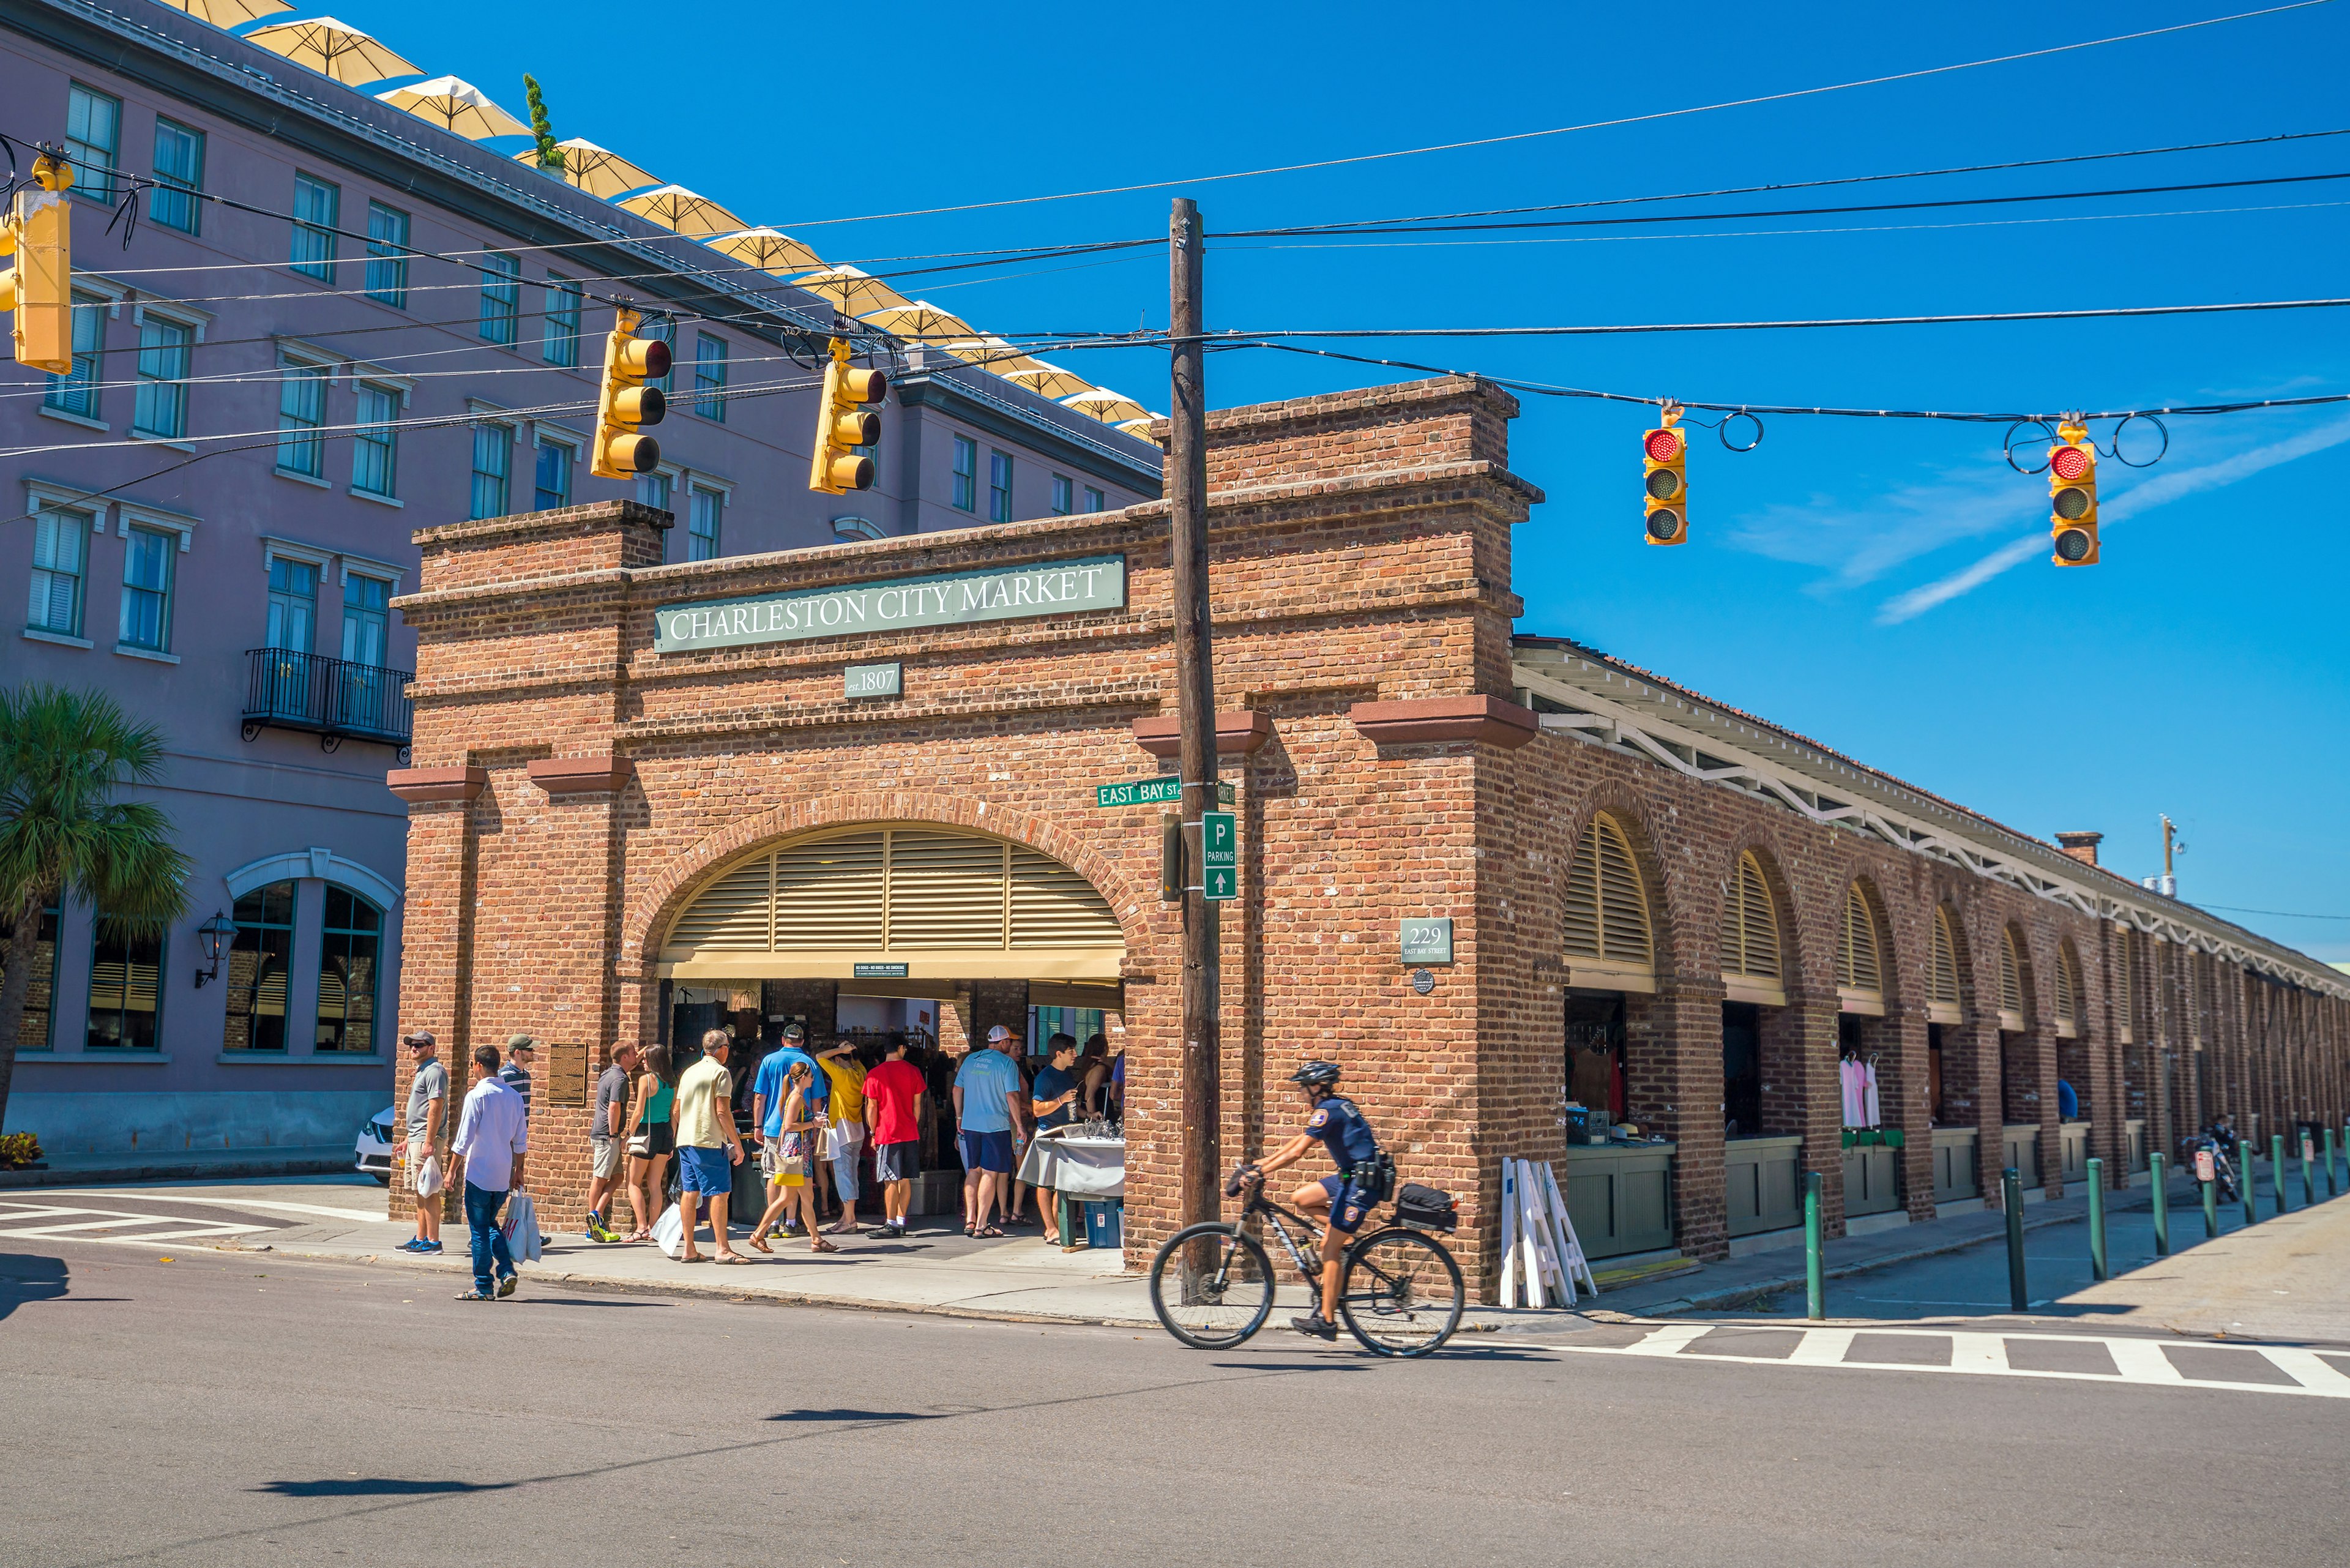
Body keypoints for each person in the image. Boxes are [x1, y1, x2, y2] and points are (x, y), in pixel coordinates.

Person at [1239, 1061, 1386, 1341]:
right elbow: (1296, 1142)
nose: (1301, 1094)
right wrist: (1262, 1163)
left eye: (1303, 1088)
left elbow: (1298, 1154)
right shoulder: (1333, 1106)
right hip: (1350, 1176)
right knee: (1302, 1198)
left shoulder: (1327, 1111)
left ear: (1317, 1087)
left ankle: (1328, 1322)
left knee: (1329, 1249)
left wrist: (1263, 1171)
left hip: (1362, 1182)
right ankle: (1343, 1236)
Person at [448, 1043, 528, 1301]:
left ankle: (483, 1285)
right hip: (502, 1173)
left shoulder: (477, 1096)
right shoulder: (514, 1097)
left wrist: (451, 1172)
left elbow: (463, 1140)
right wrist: (519, 1171)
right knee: (491, 1224)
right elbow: (521, 1140)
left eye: (473, 1064)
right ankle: (505, 1270)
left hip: (479, 1174)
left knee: (479, 1230)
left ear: (479, 1066)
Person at [673, 1028, 747, 1264]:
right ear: (722, 1049)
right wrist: (737, 1144)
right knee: (720, 1193)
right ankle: (723, 1249)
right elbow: (723, 1112)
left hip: (686, 1139)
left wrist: (680, 1134)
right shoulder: (721, 1073)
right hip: (709, 1140)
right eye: (728, 1047)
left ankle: (689, 1249)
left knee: (690, 1192)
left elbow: (676, 1110)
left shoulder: (689, 1072)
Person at [749, 1059, 837, 1255]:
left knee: (806, 1197)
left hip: (798, 1155)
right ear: (804, 1077)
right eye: (812, 1076)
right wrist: (814, 1124)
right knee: (787, 1197)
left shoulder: (796, 1096)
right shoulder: (796, 1097)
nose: (814, 1080)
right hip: (795, 1155)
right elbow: (789, 1126)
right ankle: (758, 1234)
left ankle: (816, 1240)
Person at [751, 1023, 826, 1234]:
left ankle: (773, 1224)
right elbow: (817, 1101)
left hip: (774, 1128)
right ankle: (791, 1223)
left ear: (783, 1040)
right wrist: (815, 1131)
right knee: (796, 1176)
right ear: (802, 1042)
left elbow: (760, 1097)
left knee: (775, 1175)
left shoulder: (769, 1060)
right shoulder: (810, 1063)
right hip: (801, 1131)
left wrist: (758, 1125)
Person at [952, 1025, 1026, 1238]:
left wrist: (959, 1117)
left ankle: (970, 1219)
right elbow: (1012, 1096)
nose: (1012, 1044)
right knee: (990, 1174)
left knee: (973, 1171)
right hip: (996, 1126)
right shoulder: (1007, 1064)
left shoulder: (970, 1060)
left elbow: (957, 1089)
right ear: (1003, 1043)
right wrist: (1020, 1125)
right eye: (1010, 1041)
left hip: (971, 1124)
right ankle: (982, 1225)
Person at [862, 1037, 925, 1240]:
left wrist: (873, 1132)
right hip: (909, 1131)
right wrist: (912, 1124)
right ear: (900, 1048)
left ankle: (890, 1224)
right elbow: (918, 1105)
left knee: (890, 1180)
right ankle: (901, 1221)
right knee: (905, 1179)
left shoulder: (875, 1074)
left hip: (887, 1132)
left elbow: (871, 1107)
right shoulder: (914, 1071)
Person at [622, 1042, 677, 1242]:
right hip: (665, 1134)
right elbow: (674, 1114)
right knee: (655, 1185)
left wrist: (628, 1134)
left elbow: (638, 1112)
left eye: (646, 1059)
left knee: (633, 1182)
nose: (642, 1062)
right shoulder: (672, 1083)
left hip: (646, 1131)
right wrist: (672, 1138)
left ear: (654, 1061)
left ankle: (641, 1227)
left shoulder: (647, 1080)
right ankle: (653, 1230)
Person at [399, 1029, 447, 1255]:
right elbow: (420, 1111)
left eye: (420, 1045)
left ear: (432, 1048)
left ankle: (434, 1241)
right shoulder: (423, 1071)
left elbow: (435, 1108)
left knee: (429, 1190)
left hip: (427, 1140)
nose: (414, 1048)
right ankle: (421, 1237)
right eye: (412, 1045)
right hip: (417, 1138)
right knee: (420, 1189)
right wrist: (409, 1138)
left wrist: (429, 1141)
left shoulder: (435, 1071)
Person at [585, 1042, 639, 1243]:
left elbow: (628, 1063)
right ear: (625, 1057)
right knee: (599, 1179)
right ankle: (593, 1229)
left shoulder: (609, 1073)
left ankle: (596, 1215)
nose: (636, 1056)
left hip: (603, 1135)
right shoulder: (620, 1079)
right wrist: (615, 1134)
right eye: (633, 1053)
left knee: (617, 1177)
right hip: (607, 1136)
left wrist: (640, 1054)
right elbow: (614, 1107)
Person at [817, 1039, 869, 1234]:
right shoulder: (860, 1072)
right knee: (851, 1174)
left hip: (842, 1130)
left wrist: (839, 1050)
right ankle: (847, 1216)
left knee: (843, 1176)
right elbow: (856, 1061)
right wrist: (850, 1051)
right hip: (857, 1129)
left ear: (838, 1059)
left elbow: (820, 1057)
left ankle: (850, 1219)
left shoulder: (841, 1074)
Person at [499, 1034, 536, 1117]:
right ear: (518, 1052)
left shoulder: (527, 1076)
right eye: (529, 1049)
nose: (533, 1051)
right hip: (507, 1129)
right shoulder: (502, 1077)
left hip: (523, 1129)